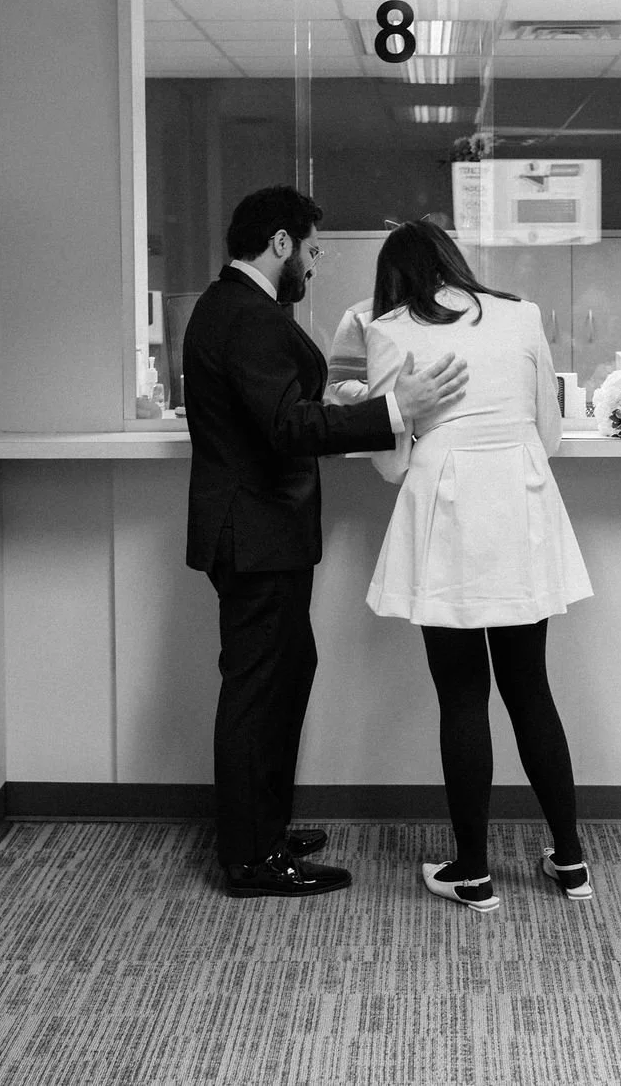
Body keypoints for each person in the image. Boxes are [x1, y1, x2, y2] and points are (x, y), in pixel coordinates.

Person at [182, 186, 468, 899]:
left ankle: (265, 828)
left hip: (259, 531)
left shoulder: (237, 308)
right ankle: (252, 857)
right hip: (254, 532)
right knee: (258, 690)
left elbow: (276, 409)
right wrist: (395, 408)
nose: (312, 265)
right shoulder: (246, 315)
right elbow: (285, 429)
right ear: (280, 242)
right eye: (310, 250)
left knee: (282, 675)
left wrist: (335, 402)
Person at [363, 221, 594, 915]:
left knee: (463, 695)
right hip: (521, 503)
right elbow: (549, 434)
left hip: (450, 511)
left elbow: (391, 460)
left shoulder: (390, 330)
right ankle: (570, 861)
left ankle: (473, 873)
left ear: (393, 277)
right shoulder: (521, 315)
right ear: (451, 260)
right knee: (531, 689)